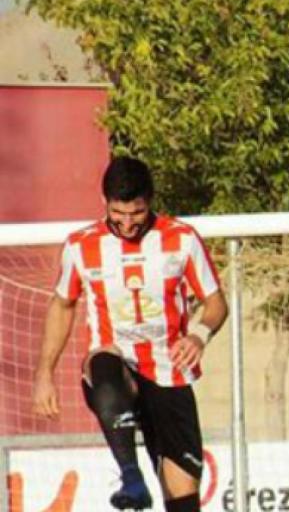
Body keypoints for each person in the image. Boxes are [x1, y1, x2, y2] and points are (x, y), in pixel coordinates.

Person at [32, 157, 227, 512]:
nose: (126, 223)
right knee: (102, 362)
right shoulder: (81, 246)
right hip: (118, 368)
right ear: (105, 202)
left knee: (183, 498)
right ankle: (131, 477)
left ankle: (152, 485)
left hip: (169, 372)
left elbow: (215, 303)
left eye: (135, 213)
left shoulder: (181, 240)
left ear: (149, 201)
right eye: (117, 213)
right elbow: (62, 305)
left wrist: (198, 335)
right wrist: (45, 373)